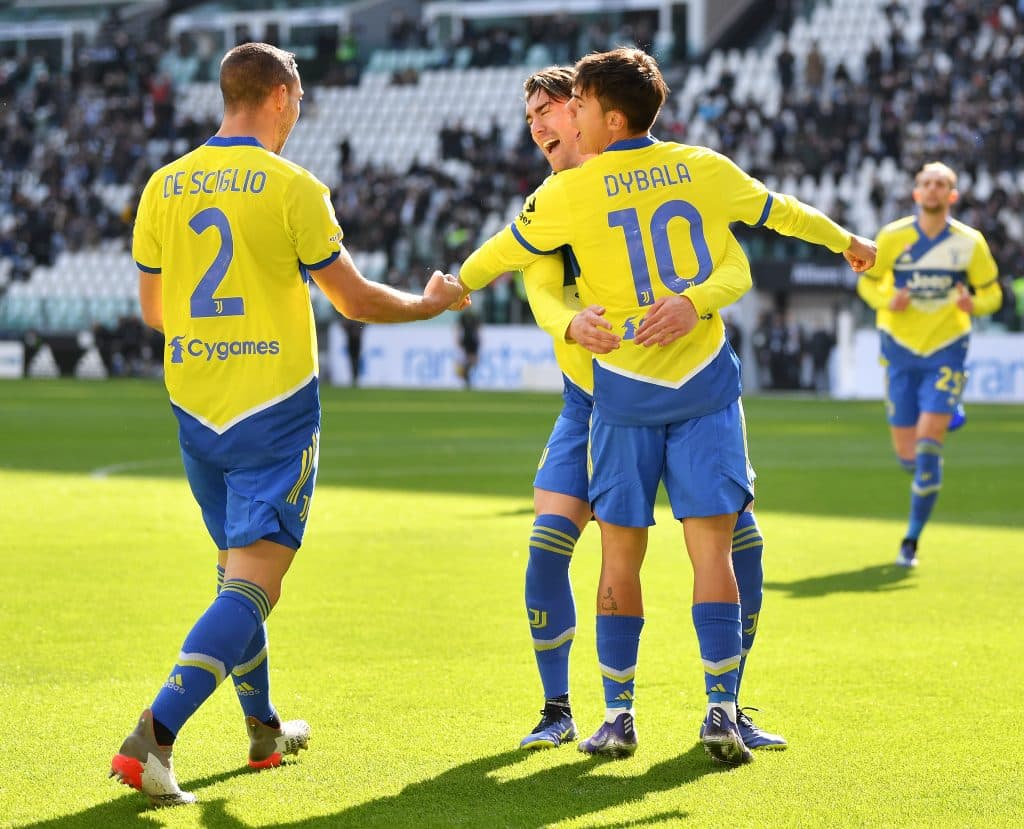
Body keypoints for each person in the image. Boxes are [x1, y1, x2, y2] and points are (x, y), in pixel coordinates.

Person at [457, 48, 875, 765]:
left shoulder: (567, 197)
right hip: (657, 387)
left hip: (625, 389)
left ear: (602, 116)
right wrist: (847, 241)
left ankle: (644, 712)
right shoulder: (696, 167)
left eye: (566, 107)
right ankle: (630, 708)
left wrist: (446, 287)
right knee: (675, 545)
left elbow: (494, 258)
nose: (550, 123)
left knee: (655, 550)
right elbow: (776, 218)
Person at [111, 42, 463, 808]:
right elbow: (355, 299)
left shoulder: (163, 185)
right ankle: (153, 736)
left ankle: (263, 727)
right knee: (254, 584)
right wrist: (429, 303)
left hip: (197, 406)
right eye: (298, 98)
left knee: (235, 573)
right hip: (273, 409)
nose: (300, 111)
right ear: (279, 94)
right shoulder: (292, 186)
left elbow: (154, 312)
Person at [501, 66, 784, 755]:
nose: (538, 125)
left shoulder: (658, 183)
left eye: (550, 110)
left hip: (682, 393)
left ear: (586, 115)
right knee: (547, 546)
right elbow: (539, 291)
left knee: (740, 546)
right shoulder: (549, 207)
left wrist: (694, 303)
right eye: (529, 116)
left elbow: (730, 263)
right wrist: (568, 323)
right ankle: (559, 709)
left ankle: (728, 704)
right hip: (591, 404)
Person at [856, 161, 1000, 568]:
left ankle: (911, 540)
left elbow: (992, 294)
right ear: (916, 193)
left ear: (952, 195)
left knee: (927, 444)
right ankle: (943, 417)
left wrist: (975, 304)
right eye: (927, 183)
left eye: (941, 184)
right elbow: (866, 282)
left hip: (947, 347)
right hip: (900, 349)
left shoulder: (970, 242)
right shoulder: (892, 236)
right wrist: (889, 300)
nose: (933, 189)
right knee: (908, 456)